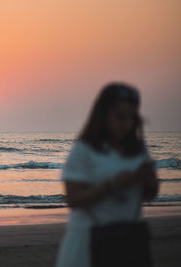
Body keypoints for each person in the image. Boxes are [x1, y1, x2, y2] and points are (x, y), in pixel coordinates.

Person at [56, 83, 158, 267]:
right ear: (103, 116)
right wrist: (111, 185)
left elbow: (148, 196)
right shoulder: (85, 149)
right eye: (120, 117)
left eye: (131, 118)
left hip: (130, 239)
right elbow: (73, 199)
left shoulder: (137, 150)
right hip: (90, 240)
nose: (127, 124)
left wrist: (150, 182)